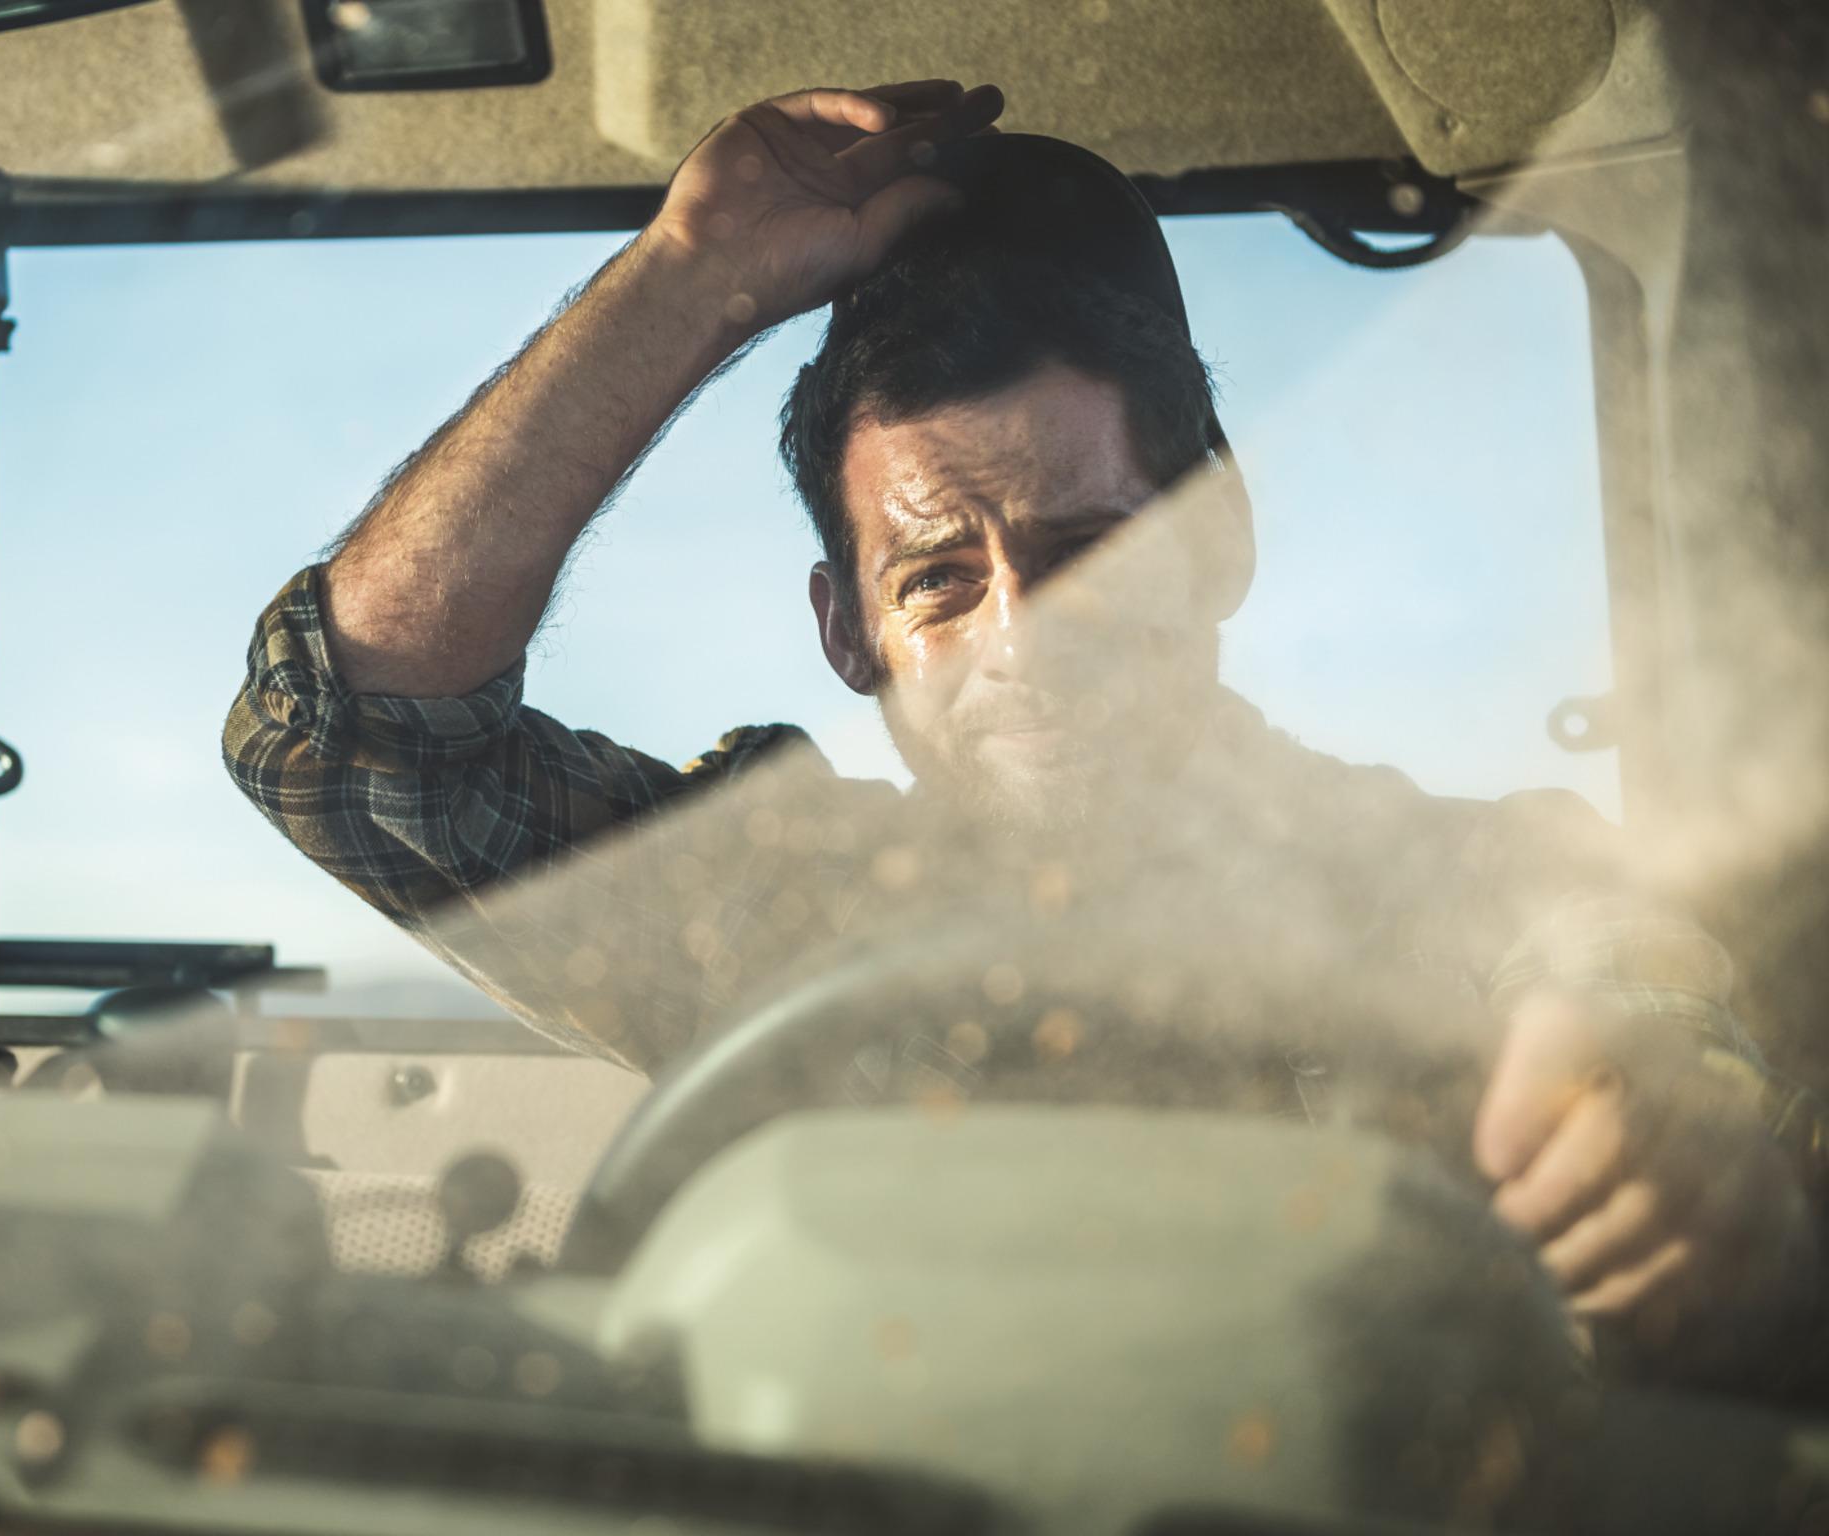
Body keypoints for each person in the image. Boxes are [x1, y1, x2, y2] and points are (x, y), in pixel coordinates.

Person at [222, 80, 1823, 1388]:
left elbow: (1602, 948)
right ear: (846, 633)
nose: (1024, 637)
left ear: (1218, 545)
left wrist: (1649, 1077)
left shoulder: (1456, 867)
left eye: (1092, 554)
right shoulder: (768, 898)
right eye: (936, 577)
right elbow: (352, 739)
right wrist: (690, 280)